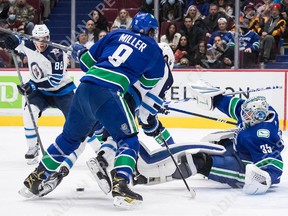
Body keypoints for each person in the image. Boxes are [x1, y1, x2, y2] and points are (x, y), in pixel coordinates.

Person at [16, 12, 166, 209]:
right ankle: (121, 184)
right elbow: (147, 82)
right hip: (109, 92)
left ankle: (36, 177)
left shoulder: (115, 34)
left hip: (84, 88)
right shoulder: (154, 49)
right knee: (128, 139)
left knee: (69, 140)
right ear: (151, 31)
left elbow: (87, 63)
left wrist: (80, 52)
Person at [131, 80, 284, 195]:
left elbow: (273, 164)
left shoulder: (262, 135)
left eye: (248, 115)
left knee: (199, 161)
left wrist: (264, 178)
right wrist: (215, 97)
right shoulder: (264, 112)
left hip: (243, 169)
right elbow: (236, 106)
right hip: (239, 149)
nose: (243, 116)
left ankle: (147, 175)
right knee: (211, 143)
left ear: (258, 116)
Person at [2, 24, 76, 165]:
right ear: (33, 38)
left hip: (62, 92)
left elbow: (54, 81)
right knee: (29, 112)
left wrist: (32, 85)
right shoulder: (29, 44)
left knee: (76, 120)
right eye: (37, 39)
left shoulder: (57, 53)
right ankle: (32, 147)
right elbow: (18, 41)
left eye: (44, 39)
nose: (41, 42)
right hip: (41, 92)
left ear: (48, 37)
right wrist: (11, 40)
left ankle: (99, 151)